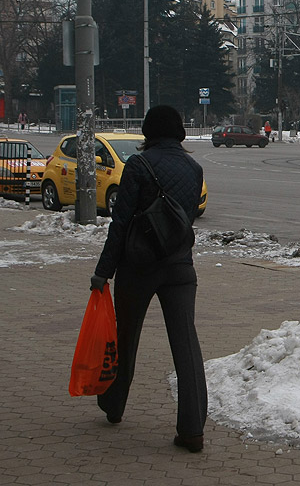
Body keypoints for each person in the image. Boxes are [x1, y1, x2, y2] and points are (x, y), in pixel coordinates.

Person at [90, 105, 207, 453]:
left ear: (147, 133)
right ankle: (192, 431)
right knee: (186, 346)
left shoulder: (138, 166)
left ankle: (113, 407)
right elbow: (183, 220)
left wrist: (103, 271)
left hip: (138, 267)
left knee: (125, 337)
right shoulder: (194, 168)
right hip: (180, 268)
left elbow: (121, 224)